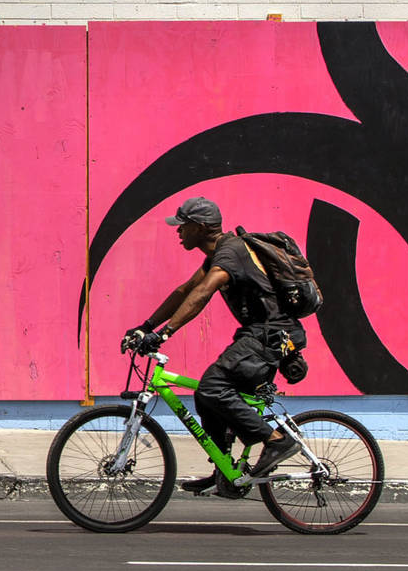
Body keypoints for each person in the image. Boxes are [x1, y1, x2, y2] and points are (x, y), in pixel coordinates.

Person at [122, 196, 307, 491]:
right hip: (260, 334)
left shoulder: (230, 254)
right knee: (206, 396)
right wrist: (145, 327)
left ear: (202, 227)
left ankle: (277, 441)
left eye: (183, 225)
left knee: (212, 387)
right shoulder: (220, 254)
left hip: (270, 335)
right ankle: (225, 470)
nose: (178, 231)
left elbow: (203, 293)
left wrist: (165, 334)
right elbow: (185, 291)